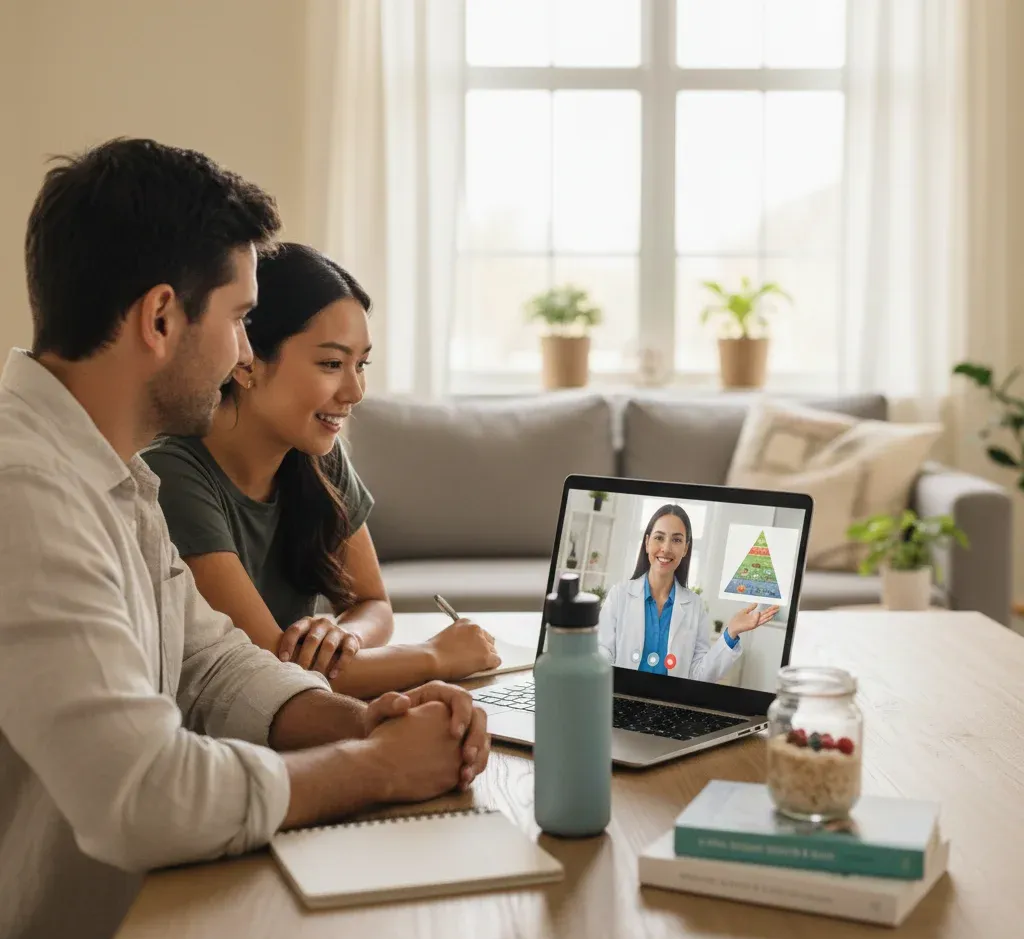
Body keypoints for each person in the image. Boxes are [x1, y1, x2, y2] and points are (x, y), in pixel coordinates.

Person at [0, 138, 488, 939]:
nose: (239, 352)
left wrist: (364, 722)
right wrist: (373, 768)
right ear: (161, 317)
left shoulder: (110, 475)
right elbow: (146, 795)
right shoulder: (26, 490)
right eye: (238, 319)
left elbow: (211, 665)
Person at [141, 243, 500, 700]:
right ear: (247, 362)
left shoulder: (318, 455)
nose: (355, 391)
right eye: (332, 363)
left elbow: (372, 603)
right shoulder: (172, 475)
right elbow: (271, 668)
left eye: (361, 364)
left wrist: (343, 636)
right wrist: (436, 655)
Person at [598, 504, 779, 681]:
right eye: (659, 537)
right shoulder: (619, 595)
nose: (666, 548)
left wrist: (731, 632)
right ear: (647, 543)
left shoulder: (695, 605)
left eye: (676, 540)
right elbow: (602, 655)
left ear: (685, 548)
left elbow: (699, 675)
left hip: (672, 706)